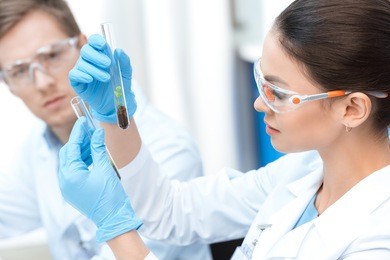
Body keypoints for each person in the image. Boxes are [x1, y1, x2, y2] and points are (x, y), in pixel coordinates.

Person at [58, 0, 390, 259]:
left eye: (280, 93)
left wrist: (115, 229)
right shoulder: (303, 172)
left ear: (352, 109)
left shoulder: (378, 240)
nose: (260, 103)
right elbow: (169, 213)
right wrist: (116, 115)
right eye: (262, 81)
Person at [0, 0, 213, 259]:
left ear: (82, 47)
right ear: (8, 84)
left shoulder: (168, 148)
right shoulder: (40, 145)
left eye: (52, 55)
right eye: (19, 70)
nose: (42, 82)